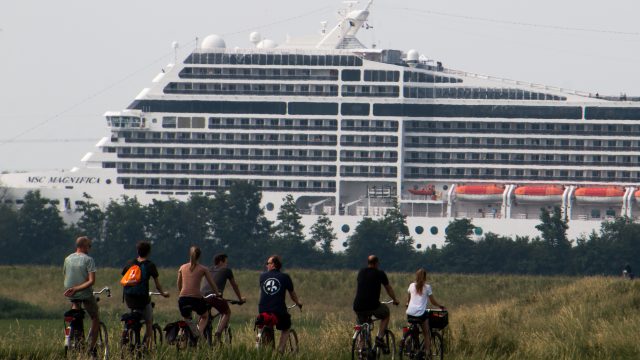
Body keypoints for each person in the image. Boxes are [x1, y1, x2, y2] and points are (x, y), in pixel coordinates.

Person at [121, 241, 169, 345]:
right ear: (149, 252)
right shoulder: (150, 265)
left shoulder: (130, 263)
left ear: (137, 251)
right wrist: (163, 294)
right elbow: (157, 285)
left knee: (130, 317)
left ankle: (127, 336)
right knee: (149, 322)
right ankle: (146, 347)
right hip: (142, 300)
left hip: (129, 299)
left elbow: (124, 278)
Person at [353, 255, 400, 352]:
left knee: (361, 325)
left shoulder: (361, 272)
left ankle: (361, 351)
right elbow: (388, 288)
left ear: (368, 263)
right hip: (372, 305)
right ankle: (379, 338)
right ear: (377, 263)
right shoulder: (380, 273)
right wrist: (395, 299)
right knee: (386, 313)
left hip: (358, 306)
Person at [63, 236, 100, 357]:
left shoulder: (67, 258)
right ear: (84, 246)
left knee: (75, 313)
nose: (90, 248)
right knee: (95, 317)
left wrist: (72, 289)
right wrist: (77, 288)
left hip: (69, 292)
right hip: (83, 292)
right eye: (89, 246)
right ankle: (92, 349)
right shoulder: (88, 260)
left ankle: (73, 333)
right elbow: (91, 281)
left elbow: (66, 275)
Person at [258, 255, 302, 354]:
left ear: (273, 264)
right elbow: (292, 294)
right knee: (286, 327)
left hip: (263, 309)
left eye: (268, 263)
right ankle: (280, 350)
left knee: (267, 323)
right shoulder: (285, 277)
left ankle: (267, 350)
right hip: (278, 310)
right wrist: (298, 303)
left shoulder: (262, 276)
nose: (266, 265)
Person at [201, 253, 246, 344]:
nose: (227, 264)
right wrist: (240, 299)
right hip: (214, 296)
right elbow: (234, 286)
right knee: (226, 312)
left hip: (202, 297)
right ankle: (218, 334)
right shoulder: (227, 270)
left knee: (204, 316)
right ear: (221, 261)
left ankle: (201, 335)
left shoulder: (209, 269)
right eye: (226, 262)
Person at [177, 246, 220, 339]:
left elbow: (178, 284)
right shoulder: (203, 269)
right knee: (205, 316)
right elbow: (211, 283)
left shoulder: (182, 267)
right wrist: (217, 293)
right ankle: (199, 333)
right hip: (196, 298)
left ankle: (182, 334)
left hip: (182, 299)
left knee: (187, 318)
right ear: (199, 256)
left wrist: (182, 293)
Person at [406, 268, 445, 355]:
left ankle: (408, 340)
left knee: (412, 329)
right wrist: (440, 306)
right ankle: (427, 353)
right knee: (426, 333)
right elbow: (433, 301)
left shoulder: (411, 285)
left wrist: (408, 304)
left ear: (416, 276)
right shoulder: (427, 287)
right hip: (420, 314)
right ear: (425, 277)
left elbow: (408, 301)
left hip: (410, 313)